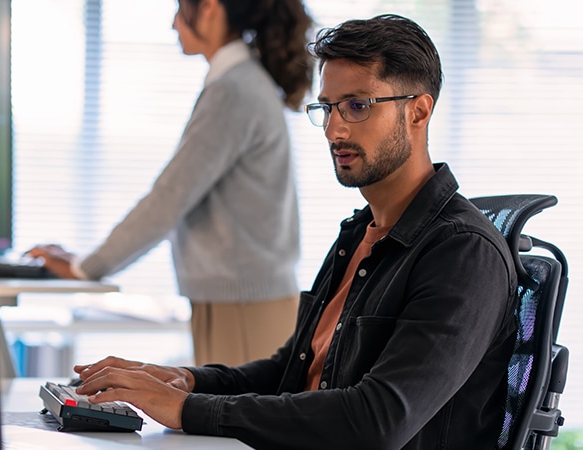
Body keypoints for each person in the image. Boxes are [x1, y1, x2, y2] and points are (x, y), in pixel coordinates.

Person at [68, 14, 519, 450]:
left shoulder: (462, 254)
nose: (334, 129)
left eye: (357, 106)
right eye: (327, 108)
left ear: (418, 112)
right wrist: (184, 381)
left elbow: (378, 420)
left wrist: (188, 409)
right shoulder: (359, 232)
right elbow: (291, 369)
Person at [28, 0, 314, 366]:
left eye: (181, 9)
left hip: (244, 309)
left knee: (232, 422)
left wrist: (86, 267)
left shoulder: (234, 90)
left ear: (209, 7)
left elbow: (169, 199)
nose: (174, 24)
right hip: (241, 303)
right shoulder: (239, 82)